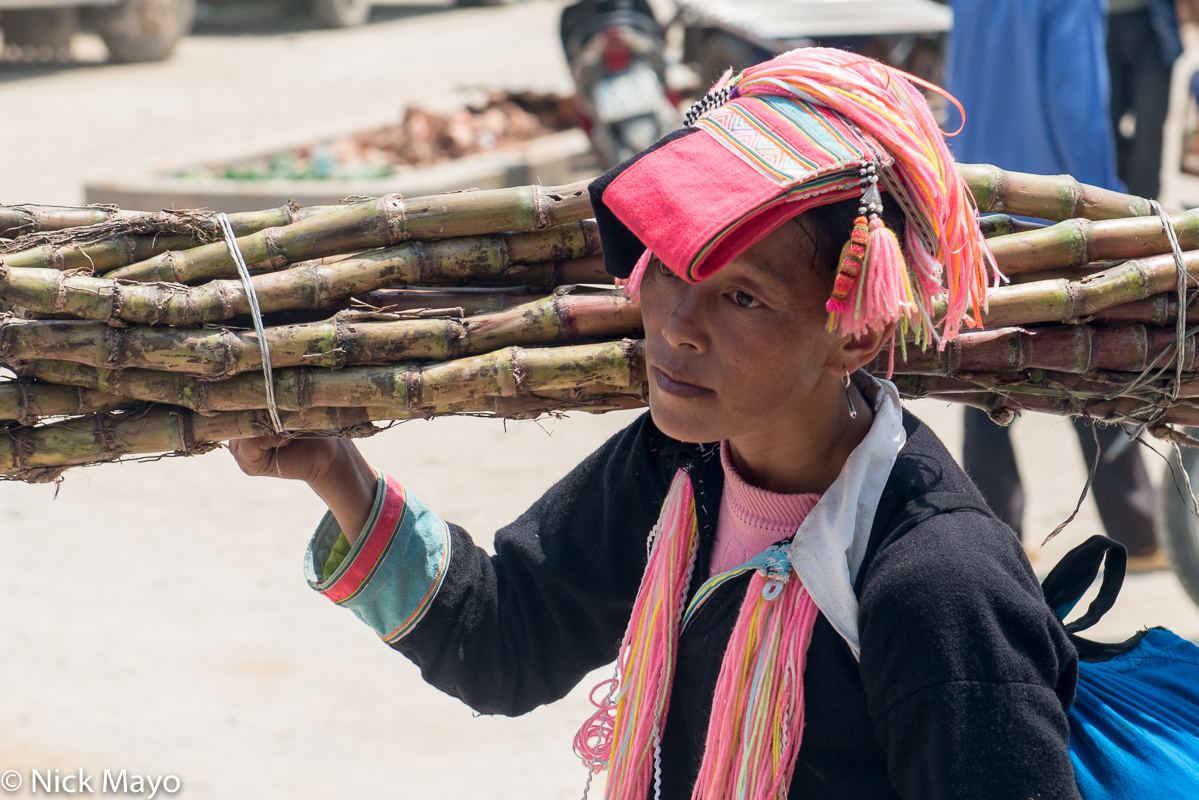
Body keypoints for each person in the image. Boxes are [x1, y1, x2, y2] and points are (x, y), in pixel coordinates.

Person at [232, 50, 1080, 799]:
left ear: (853, 330)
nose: (676, 325)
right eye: (671, 266)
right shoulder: (677, 466)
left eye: (742, 296)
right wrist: (335, 471)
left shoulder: (939, 587)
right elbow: (508, 641)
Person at [947, 0, 1162, 568]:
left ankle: (995, 531)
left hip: (975, 203)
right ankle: (1138, 530)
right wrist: (1111, 211)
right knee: (1095, 369)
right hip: (1050, 215)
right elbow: (1078, 106)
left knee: (982, 362)